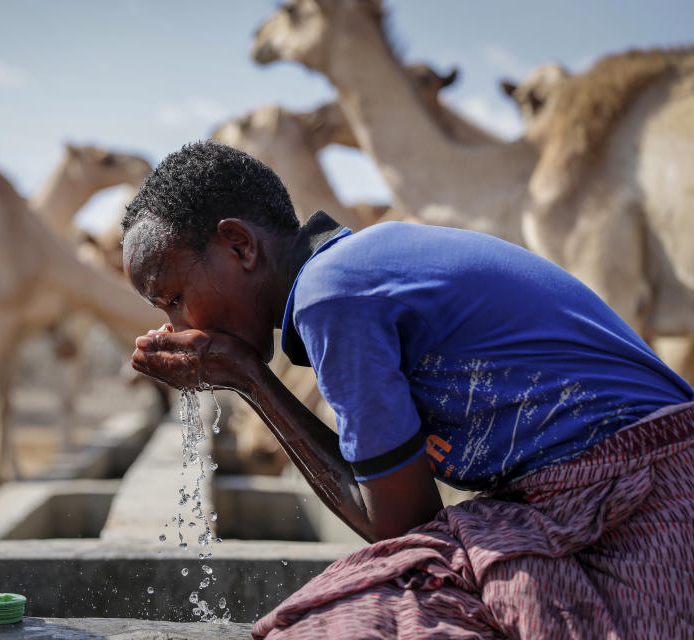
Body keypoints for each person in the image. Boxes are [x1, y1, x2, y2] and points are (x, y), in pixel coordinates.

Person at [121, 141, 694, 639]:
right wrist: (247, 374)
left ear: (239, 246)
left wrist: (247, 377)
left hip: (645, 495)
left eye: (173, 299)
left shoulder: (332, 296)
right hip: (614, 487)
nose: (175, 328)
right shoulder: (352, 270)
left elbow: (402, 533)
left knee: (343, 620)